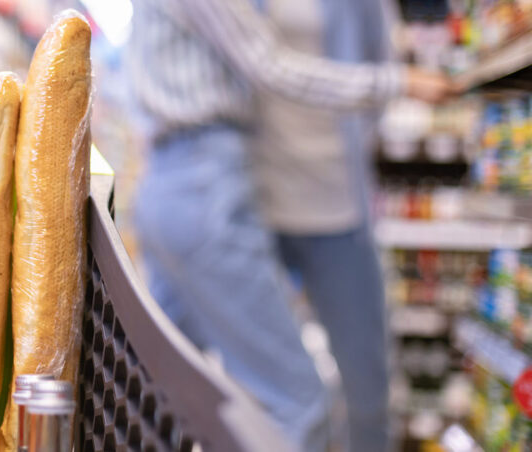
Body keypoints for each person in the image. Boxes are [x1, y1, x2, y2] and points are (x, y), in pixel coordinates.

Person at [126, 0, 454, 450]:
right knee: (293, 403)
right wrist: (397, 83)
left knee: (158, 386)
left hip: (302, 200)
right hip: (223, 190)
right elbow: (268, 65)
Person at [252, 0, 400, 451]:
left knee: (366, 384)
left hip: (337, 208)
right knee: (271, 387)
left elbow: (380, 73)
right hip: (259, 210)